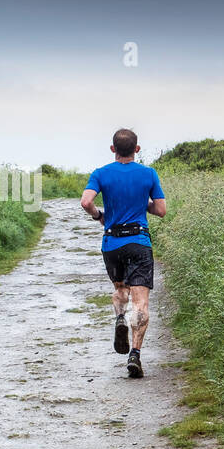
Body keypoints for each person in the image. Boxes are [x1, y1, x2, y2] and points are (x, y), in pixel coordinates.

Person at [78, 128, 166, 377]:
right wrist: (142, 203)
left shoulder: (100, 173)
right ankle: (135, 354)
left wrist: (99, 216)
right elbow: (160, 210)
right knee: (140, 302)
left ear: (113, 149)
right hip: (138, 242)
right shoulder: (148, 174)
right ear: (137, 149)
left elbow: (86, 202)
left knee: (120, 290)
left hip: (112, 243)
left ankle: (119, 318)